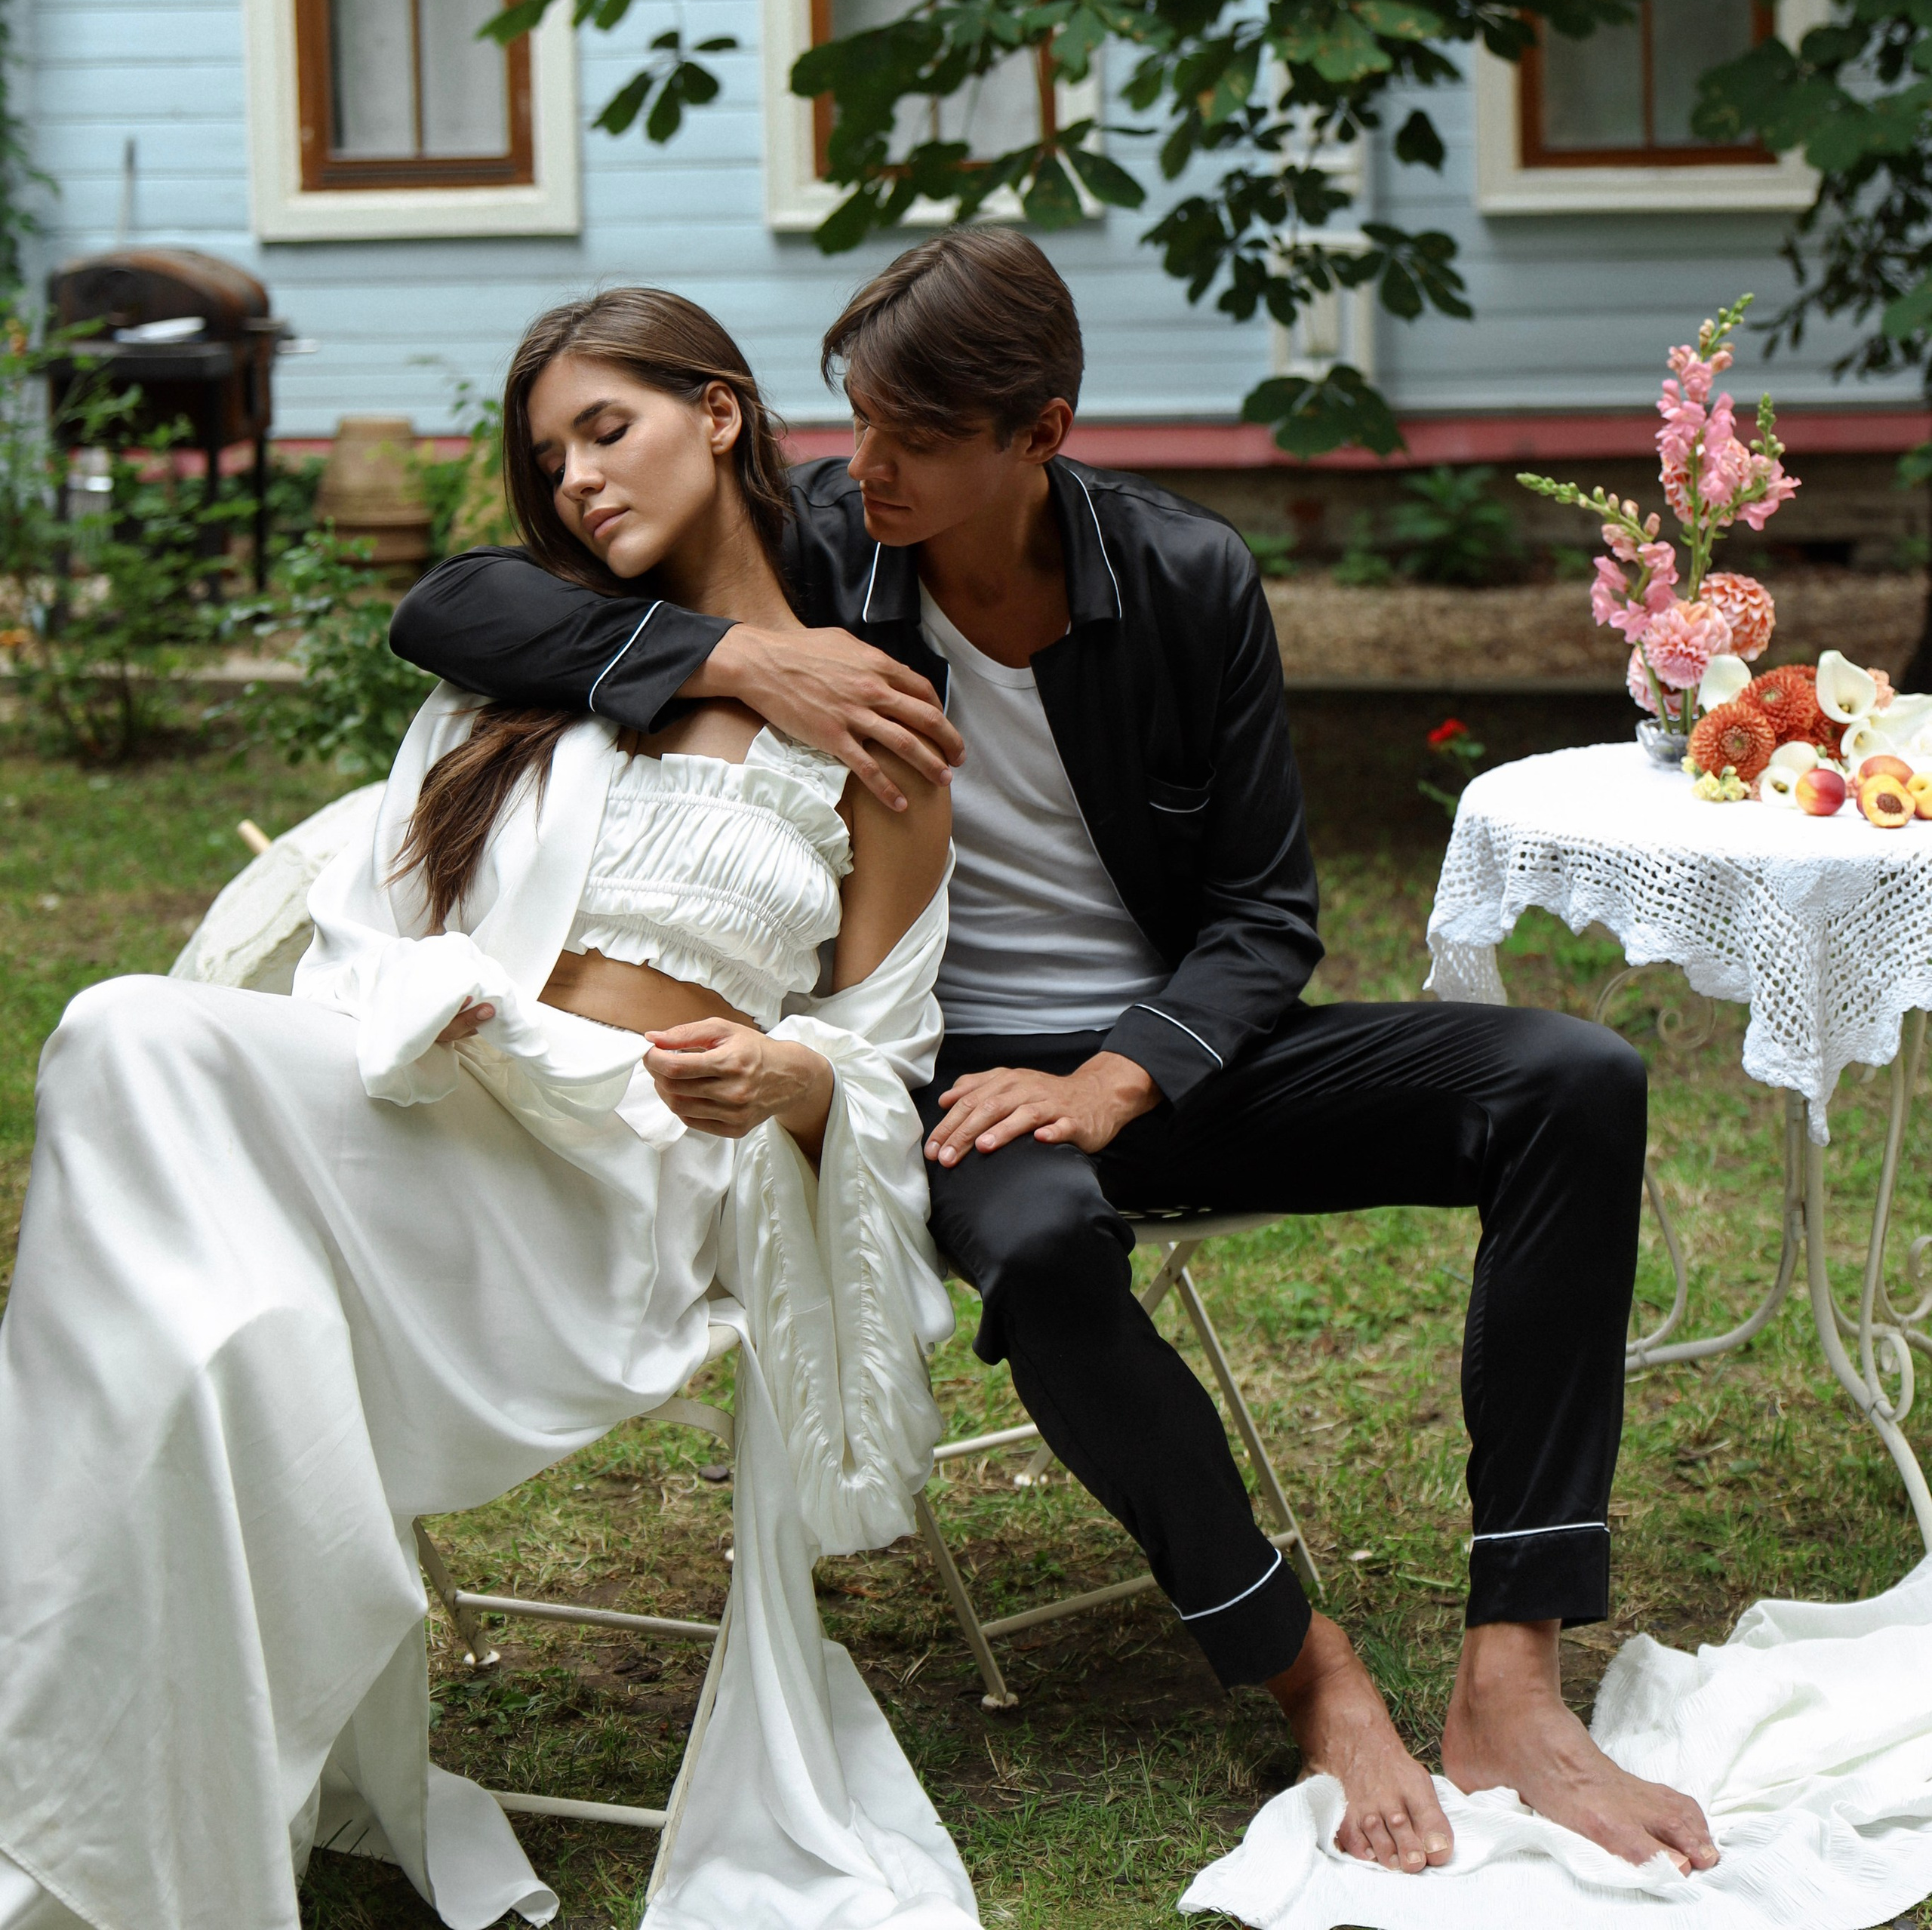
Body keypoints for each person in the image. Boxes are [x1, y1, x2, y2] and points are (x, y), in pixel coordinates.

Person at [392, 229, 1722, 1885]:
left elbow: (1257, 914)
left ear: (1039, 431)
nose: (864, 467)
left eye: (917, 440)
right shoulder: (820, 551)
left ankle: (1511, 1676)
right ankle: (1303, 1668)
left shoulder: (1180, 577)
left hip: (1168, 1062)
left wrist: (1119, 1077)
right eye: (853, 422)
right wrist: (740, 655)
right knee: (1035, 1234)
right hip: (946, 1076)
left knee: (1567, 1082)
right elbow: (452, 604)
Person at [0, 291, 972, 1930]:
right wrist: (435, 996)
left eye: (611, 429)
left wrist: (789, 1077)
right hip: (437, 1122)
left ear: (719, 413)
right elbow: (376, 921)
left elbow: (881, 1049)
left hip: (624, 1190)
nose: (579, 481)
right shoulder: (532, 674)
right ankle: (99, 1821)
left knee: (123, 1046)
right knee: (185, 1295)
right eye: (550, 457)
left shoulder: (875, 730)